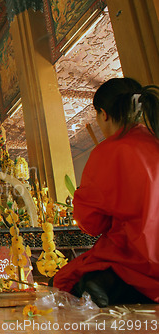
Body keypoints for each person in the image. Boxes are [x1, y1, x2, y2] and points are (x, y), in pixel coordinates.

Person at [53, 77, 159, 307]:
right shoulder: (155, 142)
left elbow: (90, 224)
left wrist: (81, 196)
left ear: (104, 114)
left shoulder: (110, 151)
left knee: (67, 281)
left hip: (136, 258)